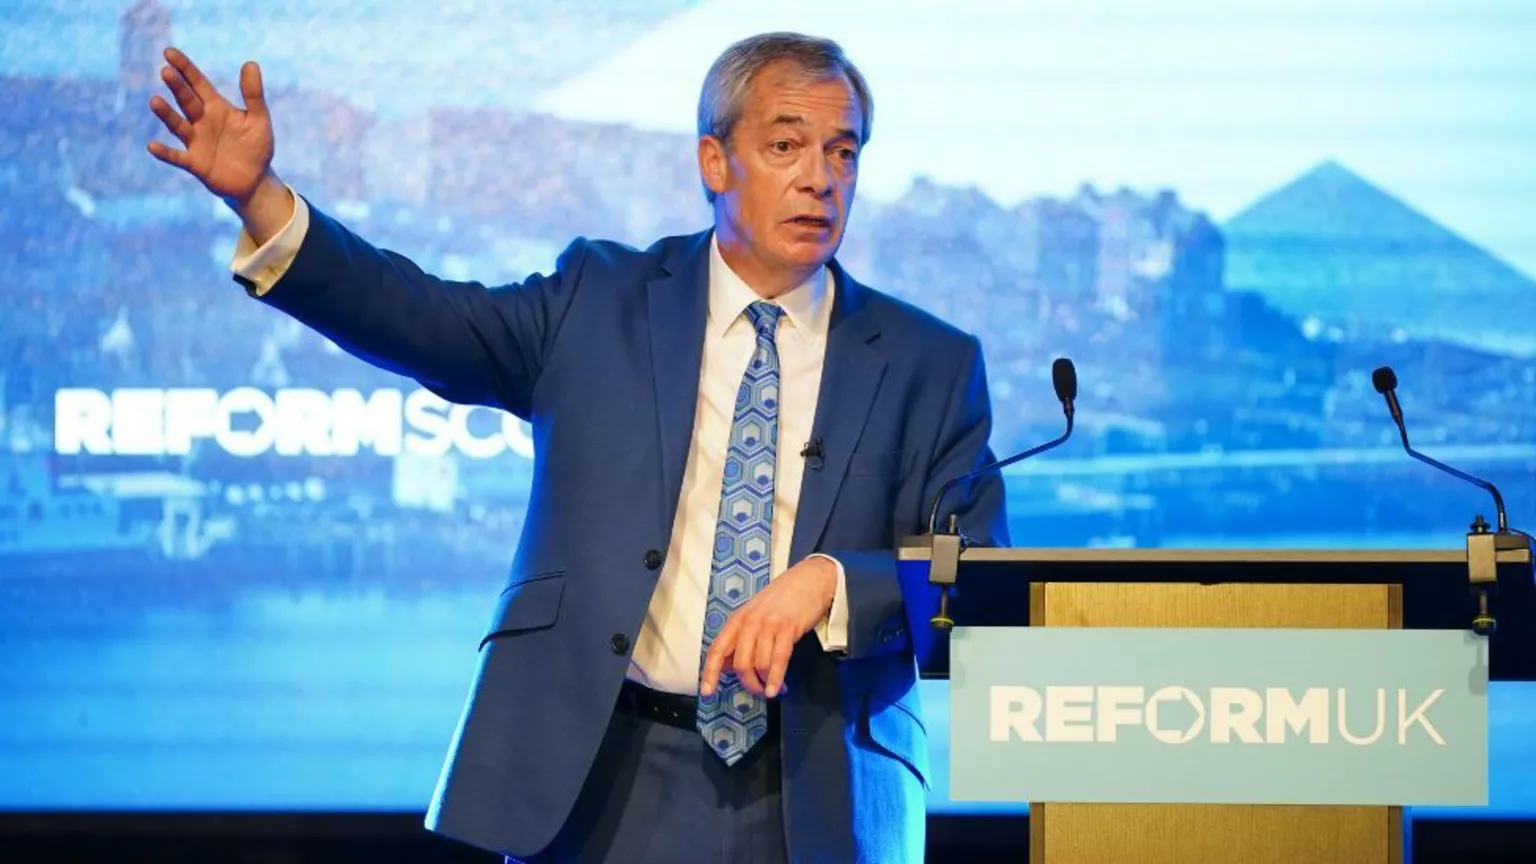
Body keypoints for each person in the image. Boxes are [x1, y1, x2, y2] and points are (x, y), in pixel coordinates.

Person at [147, 31, 1008, 864]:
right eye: (787, 145)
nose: (819, 179)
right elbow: (418, 319)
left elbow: (978, 582)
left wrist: (833, 583)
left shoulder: (931, 361)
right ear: (715, 161)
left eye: (843, 153)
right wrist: (260, 199)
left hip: (821, 794)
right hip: (605, 781)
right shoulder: (599, 300)